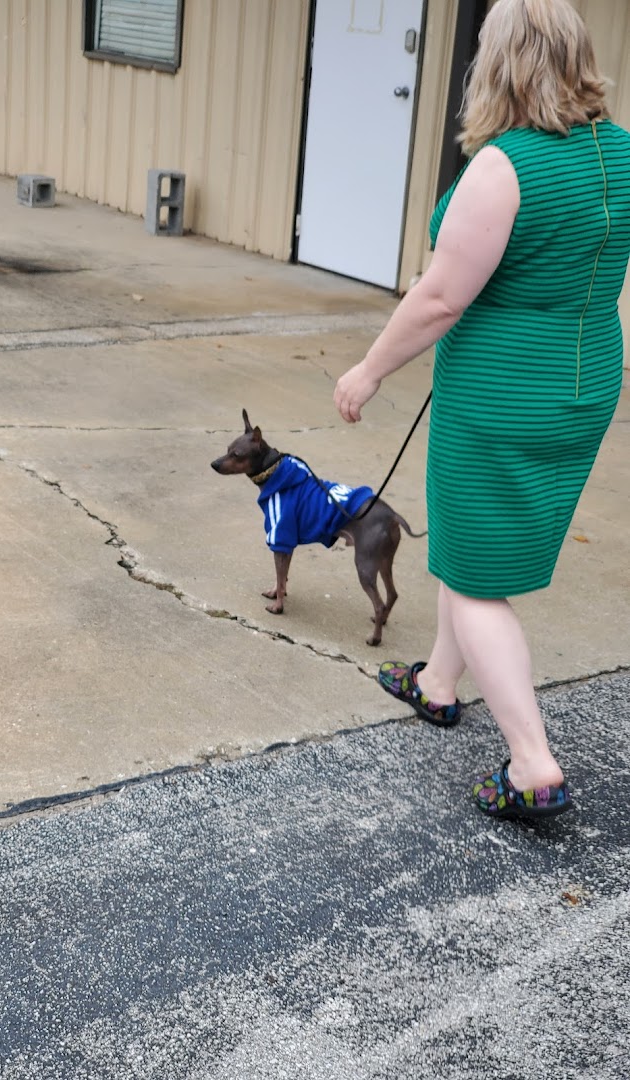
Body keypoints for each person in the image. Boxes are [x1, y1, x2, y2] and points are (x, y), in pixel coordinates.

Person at [333, 0, 630, 820]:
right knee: (473, 549)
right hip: (584, 384)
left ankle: (532, 762)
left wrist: (367, 372)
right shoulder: (624, 154)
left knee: (472, 578)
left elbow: (437, 301)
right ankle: (437, 684)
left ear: (498, 63)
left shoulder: (506, 167)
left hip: (502, 397)